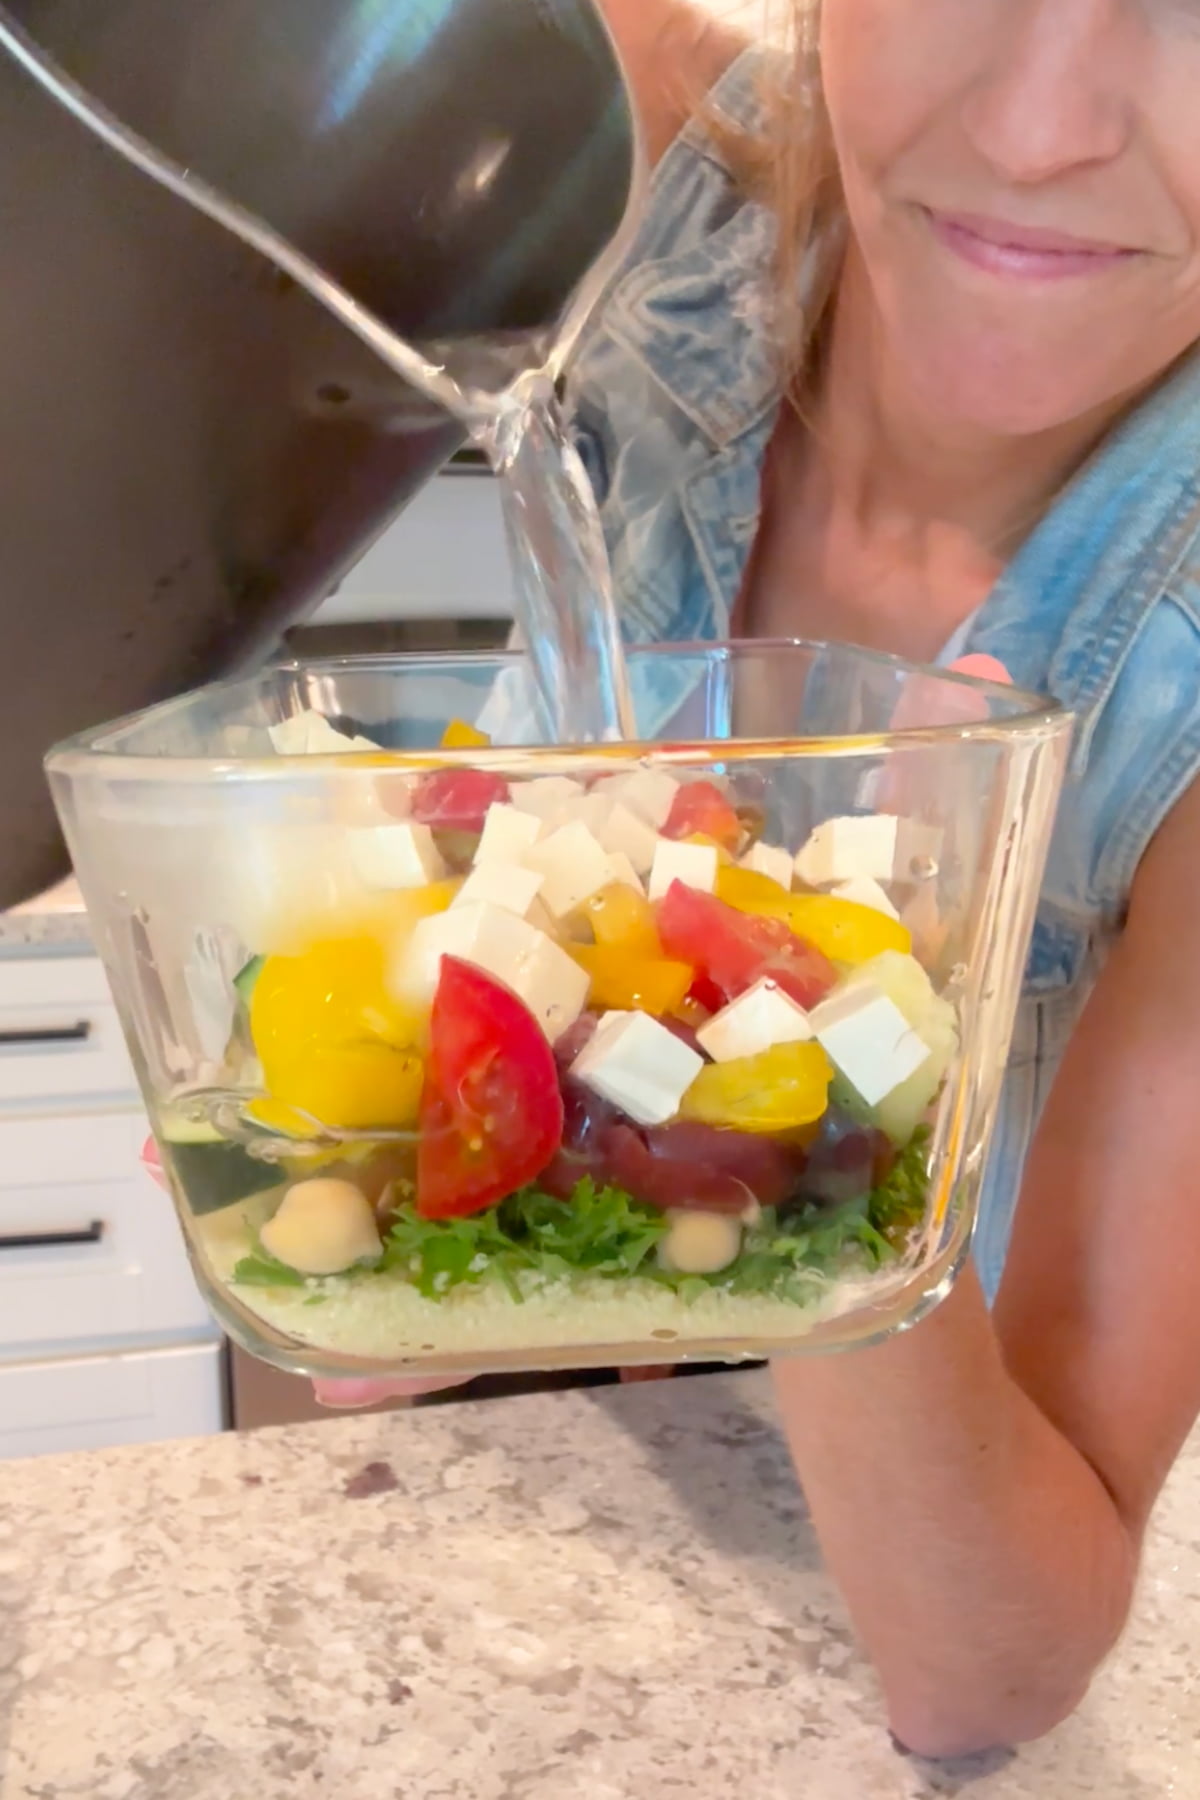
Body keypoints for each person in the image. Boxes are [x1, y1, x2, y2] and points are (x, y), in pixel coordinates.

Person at [267, 0, 1200, 1757]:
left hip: (846, 1638)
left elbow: (990, 1670)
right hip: (554, 1565)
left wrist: (836, 1067)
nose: (1040, 130)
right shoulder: (654, 161)